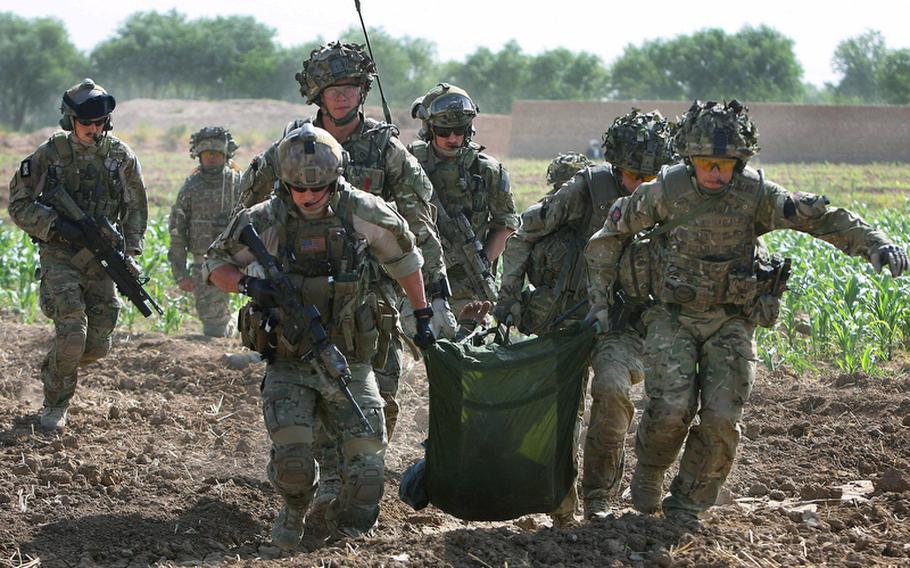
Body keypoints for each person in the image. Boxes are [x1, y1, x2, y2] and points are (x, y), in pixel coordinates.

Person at [586, 99, 909, 524]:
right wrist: (600, 305)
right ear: (689, 158)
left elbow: (819, 217)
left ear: (740, 161)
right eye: (706, 163)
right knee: (669, 411)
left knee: (721, 418)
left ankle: (686, 505)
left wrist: (874, 242)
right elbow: (608, 237)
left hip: (732, 321)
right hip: (672, 317)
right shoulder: (666, 191)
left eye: (726, 164)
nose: (716, 173)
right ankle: (648, 476)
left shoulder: (755, 194)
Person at [205, 123, 436, 548]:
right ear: (283, 183)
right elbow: (215, 265)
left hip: (349, 358)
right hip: (289, 360)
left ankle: (343, 529)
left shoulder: (363, 212)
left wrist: (422, 314)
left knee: (368, 476)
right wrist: (249, 285)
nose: (309, 197)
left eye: (320, 189)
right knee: (293, 464)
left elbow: (406, 259)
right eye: (298, 189)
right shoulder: (263, 220)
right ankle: (294, 509)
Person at [238, 41, 453, 443]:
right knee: (312, 396)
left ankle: (358, 483)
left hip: (372, 294)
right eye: (331, 89)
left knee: (381, 398)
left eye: (350, 87)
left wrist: (434, 296)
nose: (340, 96)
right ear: (316, 95)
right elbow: (249, 208)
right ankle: (320, 482)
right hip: (306, 291)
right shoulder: (294, 146)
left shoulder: (387, 150)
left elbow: (419, 225)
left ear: (363, 91)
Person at [495, 110, 678, 525]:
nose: (641, 185)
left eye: (651, 176)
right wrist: (508, 297)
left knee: (613, 389)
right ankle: (560, 502)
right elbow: (525, 234)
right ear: (616, 165)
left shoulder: (669, 197)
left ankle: (599, 495)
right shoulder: (585, 189)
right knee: (560, 410)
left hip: (625, 323)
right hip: (569, 318)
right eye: (633, 174)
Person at [7, 78, 148, 432]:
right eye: (87, 123)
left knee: (98, 344)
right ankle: (55, 405)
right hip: (60, 253)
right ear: (70, 120)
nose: (95, 130)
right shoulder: (48, 154)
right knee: (73, 332)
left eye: (101, 123)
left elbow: (136, 210)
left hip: (102, 256)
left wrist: (131, 251)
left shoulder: (121, 157)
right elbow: (19, 204)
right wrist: (56, 226)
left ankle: (57, 366)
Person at [408, 83, 520, 320]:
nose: (453, 138)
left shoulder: (487, 169)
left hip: (470, 285)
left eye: (460, 130)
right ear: (429, 129)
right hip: (417, 280)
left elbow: (506, 224)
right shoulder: (408, 164)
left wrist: (478, 261)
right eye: (444, 131)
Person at [168, 127, 242, 337]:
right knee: (213, 327)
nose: (211, 159)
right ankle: (229, 328)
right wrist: (180, 274)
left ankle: (237, 323)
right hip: (206, 263)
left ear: (226, 155)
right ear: (198, 156)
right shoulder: (191, 187)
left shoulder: (239, 184)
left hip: (241, 260)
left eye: (217, 154)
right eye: (207, 154)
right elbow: (177, 232)